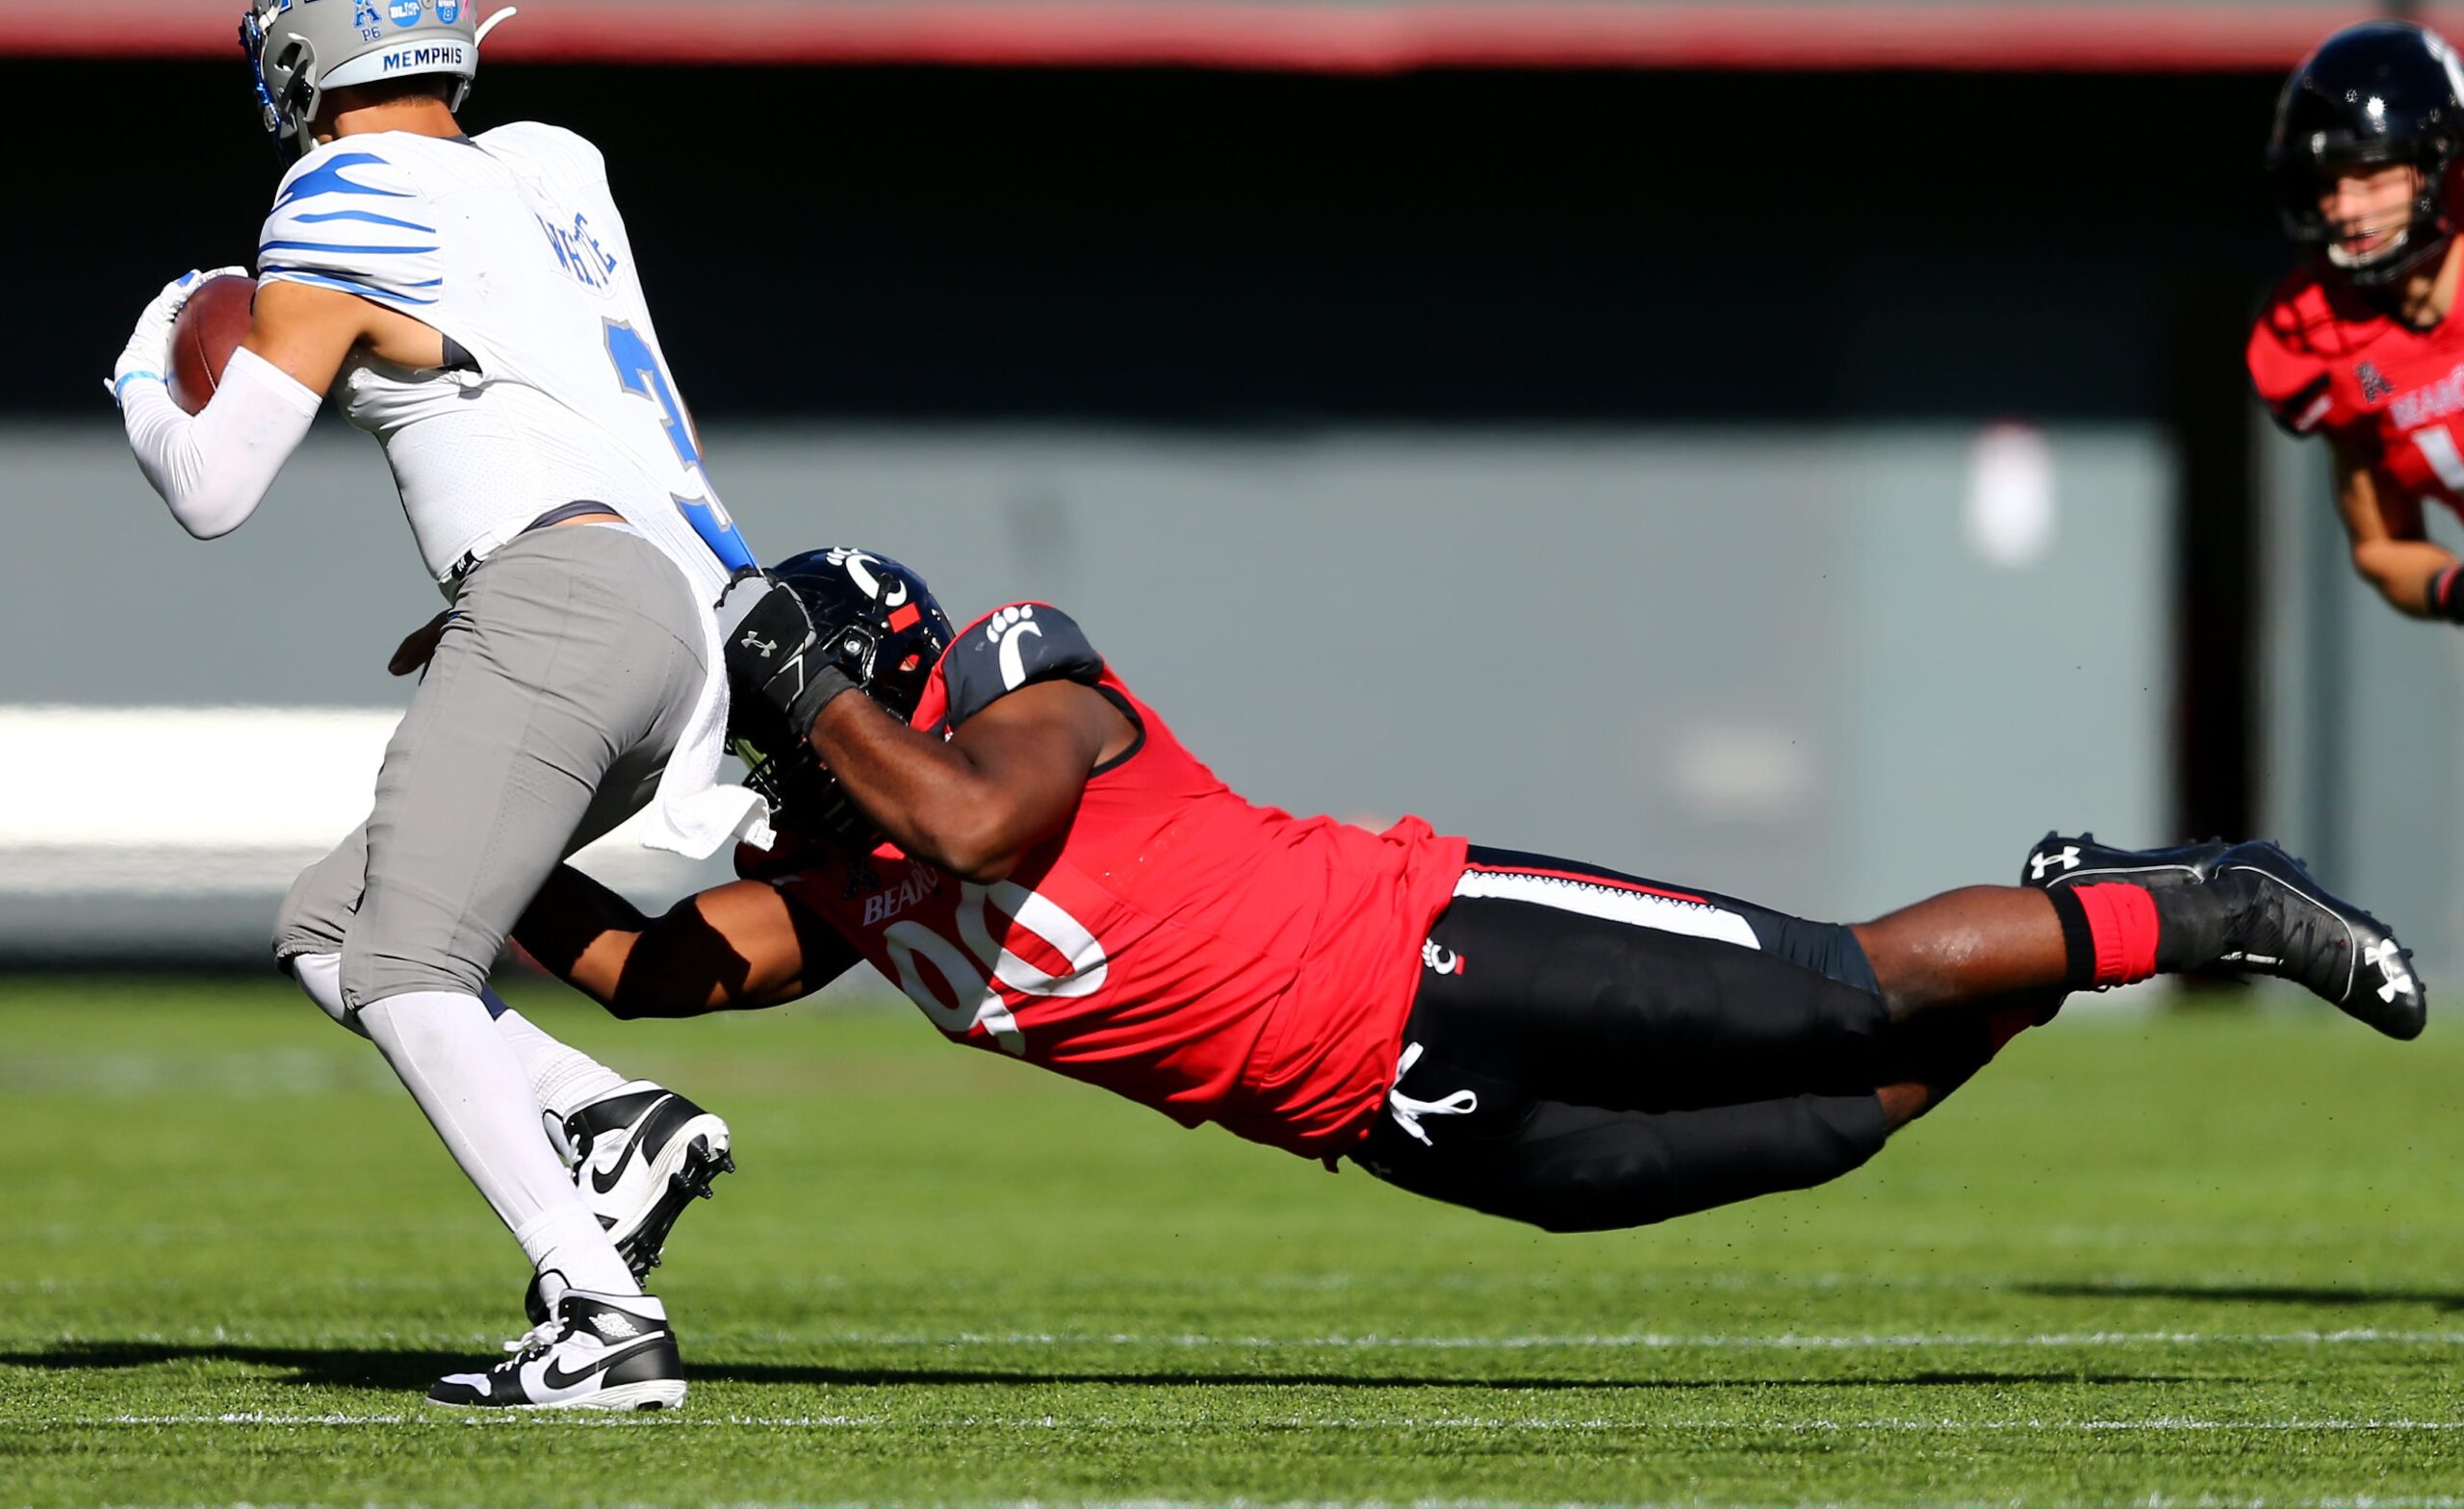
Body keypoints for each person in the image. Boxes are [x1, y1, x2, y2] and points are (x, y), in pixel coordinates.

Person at [505, 547, 2423, 1249]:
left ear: (849, 676)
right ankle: (2067, 923)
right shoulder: (852, 853)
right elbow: (675, 974)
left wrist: (810, 694)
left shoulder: (1023, 691)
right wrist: (495, 888)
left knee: (1838, 992)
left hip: (1428, 938)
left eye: (793, 716)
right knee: (1833, 1127)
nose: (777, 769)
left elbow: (985, 827)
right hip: (1364, 1111)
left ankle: (2217, 906)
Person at [106, 0, 771, 1411]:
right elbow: (556, 396)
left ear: (305, 41)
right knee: (334, 923)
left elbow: (212, 489)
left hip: (562, 601)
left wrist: (150, 370)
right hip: (674, 611)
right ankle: (614, 1120)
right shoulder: (554, 168)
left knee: (409, 959)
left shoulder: (338, 196)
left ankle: (596, 1311)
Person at [2250, 19, 2464, 622]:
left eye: (2369, 173)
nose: (2345, 208)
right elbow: (2381, 547)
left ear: (2435, 163)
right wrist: (2455, 589)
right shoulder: (2323, 338)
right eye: (2326, 185)